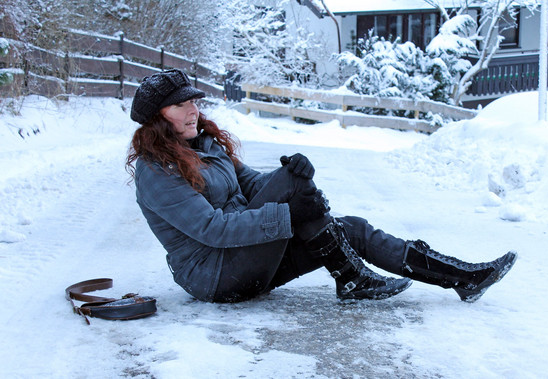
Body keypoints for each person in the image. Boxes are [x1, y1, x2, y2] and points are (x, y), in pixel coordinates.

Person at [126, 69, 517, 304]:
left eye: (194, 101)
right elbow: (212, 229)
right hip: (215, 275)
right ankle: (351, 277)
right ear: (158, 119)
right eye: (181, 106)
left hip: (248, 256)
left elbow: (253, 183)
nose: (194, 110)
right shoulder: (155, 169)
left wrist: (295, 175)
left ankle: (465, 279)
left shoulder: (206, 145)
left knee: (352, 228)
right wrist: (288, 212)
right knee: (296, 194)